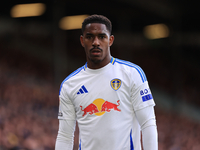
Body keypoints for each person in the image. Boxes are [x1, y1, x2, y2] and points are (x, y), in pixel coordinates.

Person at [55, 14, 158, 150]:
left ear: (110, 40)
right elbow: (65, 135)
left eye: (102, 37)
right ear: (82, 40)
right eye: (89, 37)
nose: (96, 42)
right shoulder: (69, 85)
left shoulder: (131, 73)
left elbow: (148, 123)